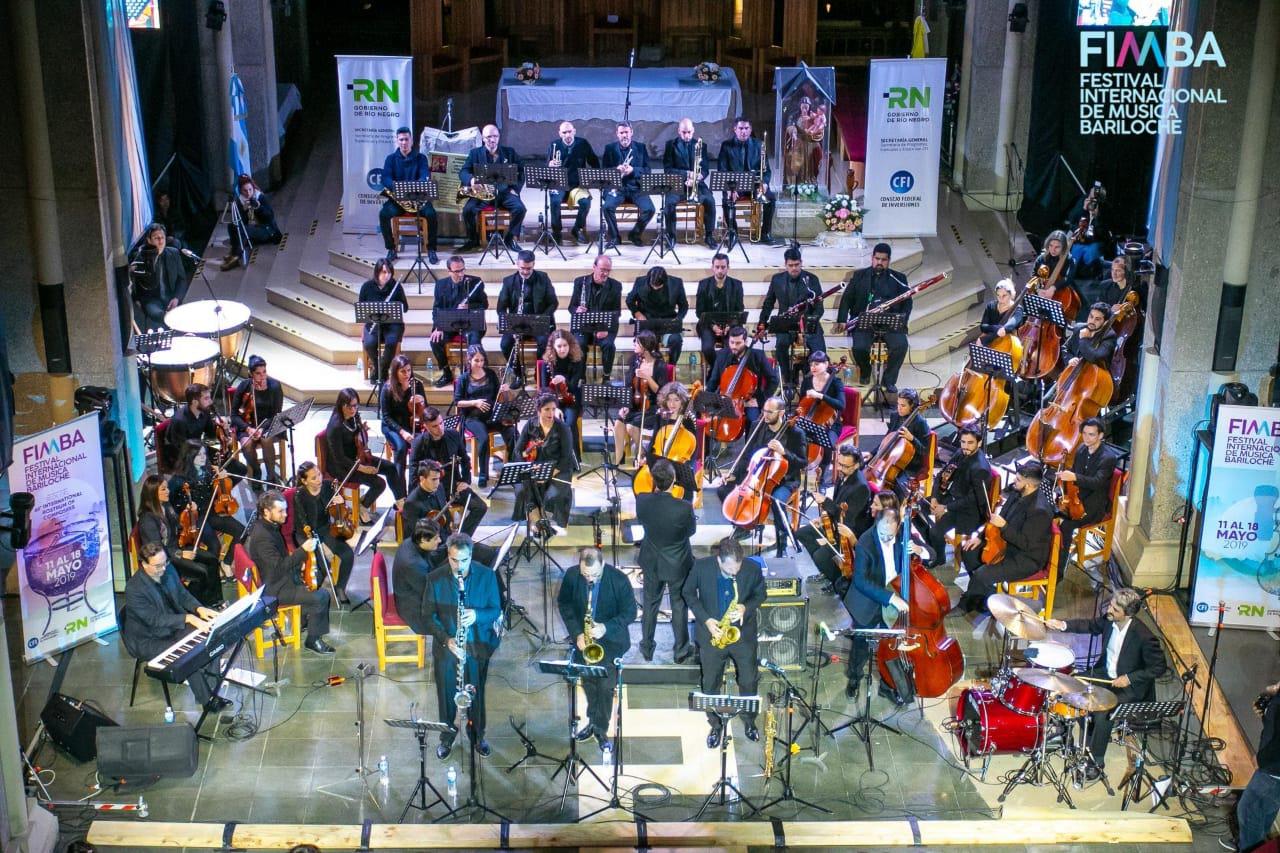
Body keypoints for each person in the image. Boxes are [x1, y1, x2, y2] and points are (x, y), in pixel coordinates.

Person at [1045, 587, 1166, 777]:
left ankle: (1096, 761)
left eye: (1115, 609)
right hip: (1106, 674)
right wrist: (1063, 625)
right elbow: (1090, 625)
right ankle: (1075, 730)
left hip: (1130, 687)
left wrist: (1129, 678)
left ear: (1127, 614)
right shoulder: (1110, 620)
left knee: (1104, 712)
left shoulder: (1144, 636)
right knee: (1072, 684)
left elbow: (1158, 668)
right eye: (1110, 605)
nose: (1109, 610)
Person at [122, 542, 228, 711]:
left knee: (212, 637)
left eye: (165, 562)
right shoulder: (134, 588)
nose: (163, 568)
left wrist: (199, 609)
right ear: (144, 564)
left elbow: (182, 594)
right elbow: (154, 620)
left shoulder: (168, 569)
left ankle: (211, 688)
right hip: (148, 638)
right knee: (189, 654)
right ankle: (207, 700)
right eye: (158, 566)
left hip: (172, 626)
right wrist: (188, 618)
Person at [683, 537, 766, 746]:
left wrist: (746, 607)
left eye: (737, 569)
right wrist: (706, 619)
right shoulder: (701, 567)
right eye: (729, 570)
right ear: (719, 560)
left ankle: (749, 720)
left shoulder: (752, 568)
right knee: (711, 682)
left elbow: (761, 594)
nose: (734, 574)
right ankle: (715, 723)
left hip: (742, 636)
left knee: (749, 680)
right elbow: (688, 593)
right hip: (712, 635)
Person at [425, 533, 502, 759]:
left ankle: (477, 736)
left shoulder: (487, 576)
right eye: (454, 560)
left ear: (471, 555)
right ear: (448, 556)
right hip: (448, 649)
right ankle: (446, 737)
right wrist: (446, 639)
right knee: (446, 695)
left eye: (464, 560)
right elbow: (428, 616)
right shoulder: (435, 579)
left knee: (476, 694)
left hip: (477, 647)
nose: (459, 566)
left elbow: (495, 610)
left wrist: (476, 615)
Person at [557, 547, 637, 749]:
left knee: (605, 688)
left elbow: (630, 612)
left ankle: (600, 728)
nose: (589, 579)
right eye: (585, 575)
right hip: (584, 641)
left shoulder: (619, 580)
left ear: (602, 564)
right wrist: (577, 633)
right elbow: (564, 604)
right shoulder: (572, 575)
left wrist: (605, 627)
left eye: (594, 575)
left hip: (611, 642)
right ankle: (593, 721)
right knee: (589, 684)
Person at [954, 460, 1054, 614]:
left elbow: (1026, 543)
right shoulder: (1017, 492)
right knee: (968, 551)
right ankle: (983, 596)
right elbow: (999, 518)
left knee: (981, 575)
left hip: (1025, 558)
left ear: (1029, 485)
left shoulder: (1039, 511)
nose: (1014, 481)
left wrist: (1004, 526)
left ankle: (966, 605)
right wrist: (980, 537)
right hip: (1005, 543)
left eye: (1018, 479)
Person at [716, 396, 806, 557]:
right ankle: (744, 527)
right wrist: (733, 474)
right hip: (756, 475)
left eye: (770, 412)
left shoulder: (795, 433)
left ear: (781, 413)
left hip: (784, 479)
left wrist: (784, 452)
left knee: (777, 501)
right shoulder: (758, 426)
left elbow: (802, 462)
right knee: (723, 490)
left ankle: (782, 544)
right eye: (764, 411)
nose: (765, 415)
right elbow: (747, 455)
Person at [246, 491, 333, 654]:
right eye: (280, 511)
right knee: (322, 596)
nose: (285, 515)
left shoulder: (269, 525)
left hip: (278, 578)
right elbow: (279, 567)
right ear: (266, 511)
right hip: (275, 589)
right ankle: (313, 640)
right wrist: (302, 551)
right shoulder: (263, 537)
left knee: (317, 575)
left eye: (285, 510)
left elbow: (280, 558)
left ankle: (303, 620)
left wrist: (299, 564)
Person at [841, 504, 913, 702]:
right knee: (861, 644)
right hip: (869, 599)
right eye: (882, 534)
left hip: (895, 595)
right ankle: (854, 679)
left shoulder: (904, 535)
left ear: (898, 527)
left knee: (890, 645)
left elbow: (931, 553)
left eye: (890, 535)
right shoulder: (865, 542)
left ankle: (887, 685)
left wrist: (920, 550)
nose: (886, 539)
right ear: (876, 524)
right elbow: (860, 581)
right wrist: (890, 598)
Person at [633, 459, 697, 663]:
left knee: (650, 604)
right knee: (679, 605)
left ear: (653, 479)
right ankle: (681, 651)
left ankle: (647, 648)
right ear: (674, 479)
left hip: (651, 560)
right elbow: (691, 531)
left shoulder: (642, 500)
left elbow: (643, 521)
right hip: (677, 563)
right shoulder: (684, 507)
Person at [136, 474, 222, 606]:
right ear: (153, 493)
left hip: (178, 547)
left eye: (167, 488)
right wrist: (180, 554)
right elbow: (156, 548)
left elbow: (178, 525)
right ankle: (196, 605)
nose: (168, 491)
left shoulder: (166, 506)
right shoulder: (147, 519)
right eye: (163, 489)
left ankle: (216, 601)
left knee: (212, 560)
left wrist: (188, 512)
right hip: (167, 557)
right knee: (201, 572)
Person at [836, 242, 911, 392]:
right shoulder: (859, 276)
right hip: (864, 321)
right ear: (872, 258)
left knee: (901, 346)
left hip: (890, 322)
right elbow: (846, 299)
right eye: (877, 259)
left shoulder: (899, 278)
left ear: (889, 260)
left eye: (884, 260)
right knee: (859, 347)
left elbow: (908, 303)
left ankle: (889, 381)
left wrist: (902, 320)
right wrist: (842, 320)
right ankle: (865, 370)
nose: (879, 262)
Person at [322, 388, 405, 521]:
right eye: (349, 406)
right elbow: (339, 458)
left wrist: (362, 430)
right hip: (342, 467)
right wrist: (363, 468)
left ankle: (401, 503)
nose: (353, 410)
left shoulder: (354, 417)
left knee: (390, 467)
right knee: (379, 484)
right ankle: (361, 506)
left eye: (355, 405)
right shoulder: (335, 427)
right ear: (341, 405)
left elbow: (355, 437)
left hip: (358, 457)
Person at [799, 443, 871, 594]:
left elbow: (847, 518)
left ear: (856, 465)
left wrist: (825, 502)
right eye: (839, 463)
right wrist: (823, 518)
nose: (839, 468)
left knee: (820, 556)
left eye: (845, 466)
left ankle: (835, 580)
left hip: (847, 532)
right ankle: (825, 570)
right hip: (832, 523)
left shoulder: (861, 487)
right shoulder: (843, 474)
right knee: (801, 534)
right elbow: (838, 503)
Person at [1054, 417, 1120, 577]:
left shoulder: (1108, 458)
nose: (1086, 438)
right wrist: (1063, 486)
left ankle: (1058, 572)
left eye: (1091, 434)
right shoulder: (1082, 449)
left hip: (1094, 505)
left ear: (1100, 435)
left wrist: (1074, 477)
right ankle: (1049, 557)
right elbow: (1075, 474)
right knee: (1049, 513)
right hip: (1077, 499)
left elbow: (1098, 482)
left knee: (1065, 526)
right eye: (1084, 433)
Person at [924, 426, 994, 574]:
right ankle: (934, 547)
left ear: (979, 443)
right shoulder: (960, 452)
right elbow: (942, 474)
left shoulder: (980, 468)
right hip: (951, 498)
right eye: (963, 442)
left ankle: (939, 558)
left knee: (935, 532)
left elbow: (974, 499)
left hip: (968, 511)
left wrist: (946, 508)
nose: (965, 446)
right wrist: (935, 497)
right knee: (918, 508)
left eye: (970, 443)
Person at [290, 461, 356, 604]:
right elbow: (304, 523)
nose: (319, 479)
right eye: (314, 478)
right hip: (305, 533)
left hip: (325, 528)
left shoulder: (327, 486)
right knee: (321, 566)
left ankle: (340, 587)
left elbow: (336, 512)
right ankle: (311, 597)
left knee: (347, 554)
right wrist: (318, 545)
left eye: (319, 474)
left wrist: (340, 503)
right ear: (304, 481)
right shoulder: (299, 495)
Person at [760, 248, 826, 387]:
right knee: (781, 346)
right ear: (785, 264)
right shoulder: (777, 279)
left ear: (801, 263)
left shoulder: (812, 279)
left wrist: (811, 320)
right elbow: (769, 303)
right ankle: (788, 377)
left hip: (808, 320)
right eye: (791, 265)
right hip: (786, 321)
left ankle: (806, 372)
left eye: (797, 265)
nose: (794, 268)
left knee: (819, 349)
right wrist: (762, 322)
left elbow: (819, 307)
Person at [453, 345, 517, 488]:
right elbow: (458, 402)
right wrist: (475, 402)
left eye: (482, 360)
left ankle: (512, 468)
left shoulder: (491, 374)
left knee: (512, 433)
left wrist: (504, 390)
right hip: (473, 418)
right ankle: (483, 474)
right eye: (476, 360)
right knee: (483, 439)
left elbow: (498, 396)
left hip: (493, 416)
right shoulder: (464, 378)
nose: (480, 363)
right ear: (469, 360)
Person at [513, 392, 578, 530]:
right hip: (535, 466)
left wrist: (547, 475)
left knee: (553, 495)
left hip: (558, 468)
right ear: (539, 410)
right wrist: (528, 462)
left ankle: (545, 520)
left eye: (553, 409)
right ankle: (537, 522)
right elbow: (518, 451)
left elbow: (566, 457)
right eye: (547, 409)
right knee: (522, 490)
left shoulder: (563, 428)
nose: (551, 413)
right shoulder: (531, 424)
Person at [458, 125, 525, 252]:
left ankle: (510, 239)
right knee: (468, 210)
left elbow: (522, 171)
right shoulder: (475, 153)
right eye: (489, 137)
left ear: (499, 137)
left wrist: (515, 189)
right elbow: (463, 172)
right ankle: (473, 240)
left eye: (495, 136)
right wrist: (471, 180)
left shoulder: (509, 152)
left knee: (520, 209)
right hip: (483, 193)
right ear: (483, 139)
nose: (492, 140)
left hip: (504, 192)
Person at [378, 127, 440, 264]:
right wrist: (396, 187)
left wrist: (414, 187)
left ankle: (431, 249)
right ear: (397, 141)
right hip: (398, 201)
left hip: (418, 199)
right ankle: (391, 248)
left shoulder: (421, 158)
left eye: (406, 139)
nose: (404, 142)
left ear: (411, 140)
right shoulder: (390, 159)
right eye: (401, 140)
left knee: (431, 214)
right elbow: (385, 178)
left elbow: (424, 175)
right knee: (383, 214)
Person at [716, 116, 781, 246]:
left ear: (750, 130)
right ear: (735, 129)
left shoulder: (759, 145)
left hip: (755, 185)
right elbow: (722, 169)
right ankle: (733, 233)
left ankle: (765, 233)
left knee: (771, 199)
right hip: (734, 185)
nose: (743, 131)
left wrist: (765, 183)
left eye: (746, 128)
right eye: (740, 128)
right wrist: (729, 189)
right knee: (727, 200)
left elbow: (766, 170)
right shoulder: (726, 146)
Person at [1234, 679, 1280, 853]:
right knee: (1264, 812)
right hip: (1274, 770)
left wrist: (1261, 758)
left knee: (1248, 811)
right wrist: (1267, 713)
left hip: (1273, 770)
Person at [705, 325, 774, 438]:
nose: (734, 346)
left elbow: (773, 379)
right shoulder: (722, 355)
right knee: (708, 422)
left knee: (753, 421)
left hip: (749, 401)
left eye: (738, 343)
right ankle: (708, 449)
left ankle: (749, 449)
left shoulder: (758, 356)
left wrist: (761, 399)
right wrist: (708, 402)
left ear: (745, 341)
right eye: (731, 342)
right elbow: (713, 381)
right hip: (725, 400)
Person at [428, 255, 487, 388]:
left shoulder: (475, 282)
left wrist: (469, 306)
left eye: (462, 270)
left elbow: (484, 304)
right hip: (449, 323)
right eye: (456, 271)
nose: (461, 274)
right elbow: (436, 309)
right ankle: (447, 372)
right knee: (435, 341)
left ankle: (474, 374)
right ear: (449, 271)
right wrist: (438, 327)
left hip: (470, 323)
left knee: (474, 341)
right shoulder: (440, 285)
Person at [497, 250, 557, 370]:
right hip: (516, 323)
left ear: (533, 264)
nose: (525, 272)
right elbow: (501, 308)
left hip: (538, 321)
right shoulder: (509, 281)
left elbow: (553, 303)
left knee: (544, 342)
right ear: (517, 264)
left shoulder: (543, 278)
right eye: (522, 268)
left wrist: (542, 318)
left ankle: (538, 372)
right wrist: (509, 324)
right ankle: (518, 372)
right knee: (505, 344)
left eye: (528, 268)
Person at [638, 382, 698, 501]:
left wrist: (687, 467)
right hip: (660, 459)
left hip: (678, 463)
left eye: (676, 400)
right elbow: (654, 440)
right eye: (669, 399)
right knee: (639, 477)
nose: (672, 404)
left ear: (683, 401)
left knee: (686, 489)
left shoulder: (688, 419)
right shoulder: (661, 415)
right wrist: (646, 458)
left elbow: (693, 448)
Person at [229, 355, 284, 486]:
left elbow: (277, 414)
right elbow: (234, 415)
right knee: (247, 445)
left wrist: (262, 428)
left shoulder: (275, 386)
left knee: (266, 439)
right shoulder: (243, 387)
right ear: (251, 374)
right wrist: (248, 429)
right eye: (258, 373)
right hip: (247, 425)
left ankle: (271, 476)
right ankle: (256, 471)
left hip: (269, 424)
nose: (262, 376)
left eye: (264, 372)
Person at [661, 118, 715, 249]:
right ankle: (671, 236)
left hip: (697, 184)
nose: (687, 135)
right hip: (677, 184)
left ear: (693, 131)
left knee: (710, 201)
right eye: (684, 132)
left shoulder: (701, 145)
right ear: (679, 131)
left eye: (689, 132)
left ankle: (709, 235)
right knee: (669, 203)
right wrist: (688, 174)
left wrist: (697, 178)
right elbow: (668, 169)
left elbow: (705, 169)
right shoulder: (670, 145)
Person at [614, 331, 666, 467]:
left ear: (645, 346)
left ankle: (642, 454)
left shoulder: (659, 365)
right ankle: (617, 461)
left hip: (652, 407)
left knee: (631, 426)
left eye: (636, 343)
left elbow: (661, 391)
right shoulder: (635, 361)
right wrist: (625, 405)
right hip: (635, 404)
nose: (634, 345)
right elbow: (628, 386)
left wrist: (647, 377)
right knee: (618, 424)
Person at [600, 122, 655, 248]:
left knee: (650, 209)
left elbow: (647, 170)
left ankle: (635, 234)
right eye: (621, 133)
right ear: (617, 134)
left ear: (632, 132)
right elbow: (604, 171)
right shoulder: (609, 148)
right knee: (607, 207)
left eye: (627, 132)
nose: (624, 135)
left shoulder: (641, 147)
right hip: (617, 188)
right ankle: (615, 237)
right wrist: (616, 170)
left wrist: (633, 170)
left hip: (636, 187)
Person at [403, 460, 486, 539]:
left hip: (442, 536)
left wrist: (452, 529)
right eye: (434, 479)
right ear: (422, 479)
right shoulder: (411, 503)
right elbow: (419, 534)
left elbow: (445, 511)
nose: (437, 483)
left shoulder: (439, 488)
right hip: (426, 542)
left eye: (438, 478)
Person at [568, 254, 622, 376]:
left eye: (608, 270)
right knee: (579, 344)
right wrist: (577, 310)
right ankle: (580, 376)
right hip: (583, 326)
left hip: (604, 327)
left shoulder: (616, 286)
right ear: (594, 267)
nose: (605, 274)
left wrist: (606, 329)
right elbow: (571, 307)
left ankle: (606, 376)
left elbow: (617, 312)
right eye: (602, 270)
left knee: (609, 345)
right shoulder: (580, 282)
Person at [547, 121, 599, 244]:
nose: (567, 135)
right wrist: (550, 164)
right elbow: (547, 165)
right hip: (559, 184)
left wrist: (593, 178)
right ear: (560, 134)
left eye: (570, 132)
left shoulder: (583, 143)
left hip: (577, 186)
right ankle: (556, 232)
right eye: (564, 132)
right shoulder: (554, 145)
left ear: (574, 131)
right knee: (555, 202)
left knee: (586, 202)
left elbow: (594, 162)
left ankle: (577, 229)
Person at [358, 258, 409, 383]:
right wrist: (363, 329)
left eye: (389, 272)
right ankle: (378, 368)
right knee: (369, 344)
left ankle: (383, 370)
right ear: (377, 272)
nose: (387, 275)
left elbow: (405, 308)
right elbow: (362, 308)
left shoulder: (396, 287)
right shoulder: (367, 287)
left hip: (393, 325)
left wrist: (397, 305)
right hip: (373, 324)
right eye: (384, 272)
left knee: (391, 343)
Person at [130, 222, 189, 328]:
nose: (161, 241)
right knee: (162, 315)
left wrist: (176, 298)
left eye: (162, 237)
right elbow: (135, 287)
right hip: (152, 300)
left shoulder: (174, 253)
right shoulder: (140, 257)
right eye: (156, 238)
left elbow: (182, 279)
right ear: (149, 240)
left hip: (171, 296)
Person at [379, 353, 426, 487]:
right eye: (403, 371)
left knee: (422, 446)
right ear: (395, 372)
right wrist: (403, 432)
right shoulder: (387, 388)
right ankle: (400, 490)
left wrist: (422, 401)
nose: (407, 374)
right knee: (401, 448)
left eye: (409, 370)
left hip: (411, 423)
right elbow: (386, 416)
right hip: (392, 426)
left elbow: (425, 410)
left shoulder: (417, 385)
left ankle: (415, 486)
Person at [796, 350, 845, 477]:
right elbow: (801, 403)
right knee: (793, 436)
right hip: (808, 419)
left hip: (830, 424)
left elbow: (841, 405)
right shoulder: (807, 381)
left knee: (827, 443)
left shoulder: (836, 382)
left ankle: (823, 476)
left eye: (817, 364)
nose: (813, 367)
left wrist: (821, 396)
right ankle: (797, 472)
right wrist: (800, 411)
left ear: (826, 364)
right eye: (811, 364)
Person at [627, 265, 688, 366]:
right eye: (653, 286)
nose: (655, 288)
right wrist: (637, 314)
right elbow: (629, 300)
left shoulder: (676, 283)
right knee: (644, 340)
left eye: (658, 287)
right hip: (647, 321)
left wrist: (678, 319)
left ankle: (671, 367)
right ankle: (644, 367)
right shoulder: (640, 282)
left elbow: (684, 306)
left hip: (668, 322)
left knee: (676, 340)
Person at [393, 518, 445, 635]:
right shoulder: (412, 563)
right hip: (415, 610)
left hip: (416, 592)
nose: (440, 540)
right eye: (436, 538)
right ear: (423, 540)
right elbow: (430, 594)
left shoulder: (411, 541)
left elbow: (430, 557)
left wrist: (450, 546)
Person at [220, 174, 282, 270]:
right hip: (252, 228)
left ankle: (236, 256)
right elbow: (240, 221)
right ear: (241, 191)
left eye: (250, 190)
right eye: (245, 190)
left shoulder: (260, 197)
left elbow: (270, 217)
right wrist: (244, 210)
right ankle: (233, 251)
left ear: (253, 188)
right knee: (232, 226)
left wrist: (258, 207)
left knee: (244, 229)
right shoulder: (241, 201)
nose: (248, 193)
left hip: (267, 230)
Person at [695, 254, 745, 372]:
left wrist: (730, 325)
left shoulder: (737, 285)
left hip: (730, 324)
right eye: (717, 267)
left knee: (732, 348)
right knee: (707, 348)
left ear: (728, 267)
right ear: (712, 267)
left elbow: (739, 309)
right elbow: (699, 311)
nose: (720, 270)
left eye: (723, 267)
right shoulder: (703, 284)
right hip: (708, 324)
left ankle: (724, 371)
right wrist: (713, 326)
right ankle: (716, 369)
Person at [879, 389, 932, 498]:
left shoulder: (920, 423)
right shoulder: (895, 416)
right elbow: (887, 439)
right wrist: (873, 453)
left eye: (903, 405)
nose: (899, 408)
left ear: (912, 406)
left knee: (898, 487)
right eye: (898, 404)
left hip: (910, 464)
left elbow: (925, 451)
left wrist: (912, 438)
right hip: (892, 458)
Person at [408, 404, 472, 491]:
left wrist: (465, 481)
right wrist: (420, 493)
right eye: (435, 426)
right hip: (430, 486)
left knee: (475, 500)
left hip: (453, 482)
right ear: (426, 426)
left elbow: (465, 460)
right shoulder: (418, 442)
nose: (440, 428)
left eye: (441, 423)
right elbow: (413, 471)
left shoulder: (454, 435)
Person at [541, 329, 586, 451]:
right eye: (559, 346)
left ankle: (574, 458)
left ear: (570, 345)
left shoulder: (577, 360)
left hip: (572, 400)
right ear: (553, 347)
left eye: (565, 345)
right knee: (553, 421)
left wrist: (564, 379)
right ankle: (554, 455)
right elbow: (545, 390)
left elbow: (574, 386)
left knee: (569, 423)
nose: (562, 349)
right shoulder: (547, 363)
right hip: (552, 402)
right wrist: (554, 408)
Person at [1031, 229, 1080, 319]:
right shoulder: (1041, 258)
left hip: (1060, 294)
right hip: (1041, 292)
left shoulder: (1069, 260)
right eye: (1051, 245)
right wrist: (1038, 289)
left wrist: (1054, 288)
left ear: (1064, 247)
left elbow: (1068, 278)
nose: (1053, 249)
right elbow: (1034, 276)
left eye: (1057, 247)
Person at [1064, 302, 1118, 369]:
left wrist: (1084, 339)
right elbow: (1065, 347)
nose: (1092, 321)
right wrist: (1069, 359)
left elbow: (1095, 358)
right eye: (1091, 316)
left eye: (1097, 319)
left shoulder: (1110, 336)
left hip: (1093, 372)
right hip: (1072, 370)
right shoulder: (1078, 327)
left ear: (1105, 322)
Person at [978, 279, 1024, 346]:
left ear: (1011, 295)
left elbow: (1013, 323)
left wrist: (1004, 329)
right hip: (990, 340)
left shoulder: (1018, 309)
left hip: (1008, 343)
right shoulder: (991, 306)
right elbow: (983, 326)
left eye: (1004, 295)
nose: (1001, 299)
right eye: (998, 295)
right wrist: (995, 328)